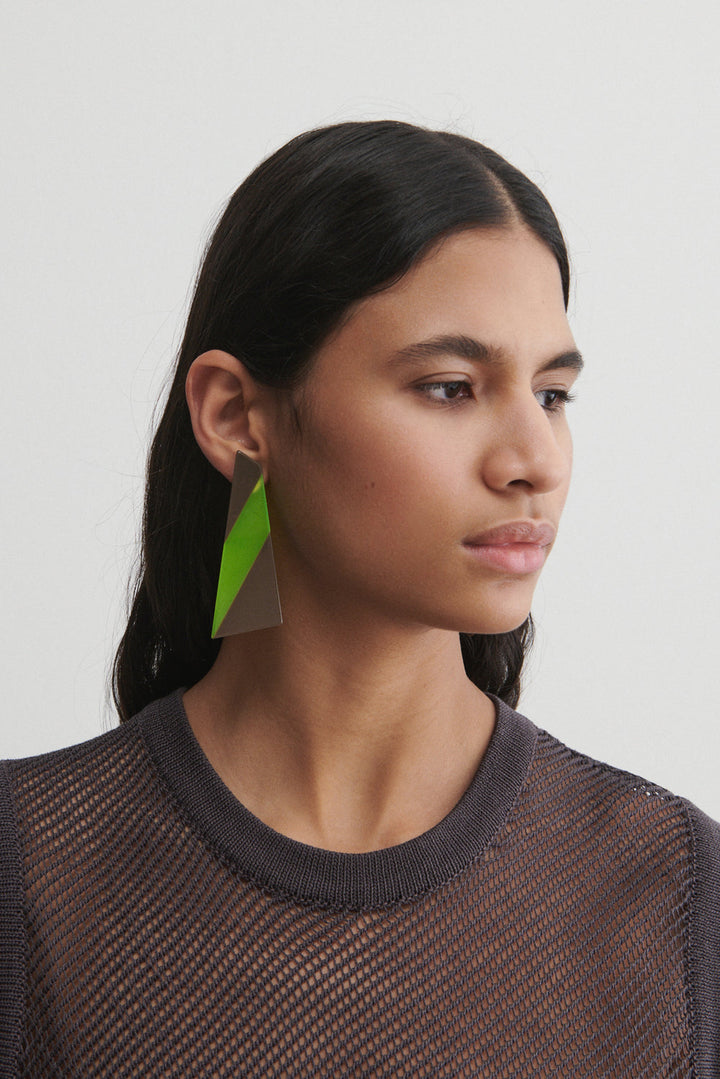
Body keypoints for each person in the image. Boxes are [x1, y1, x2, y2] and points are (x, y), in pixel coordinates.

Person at [1, 121, 718, 1078]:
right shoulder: (30, 880)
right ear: (236, 417)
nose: (535, 461)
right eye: (451, 387)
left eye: (552, 395)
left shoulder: (673, 895)